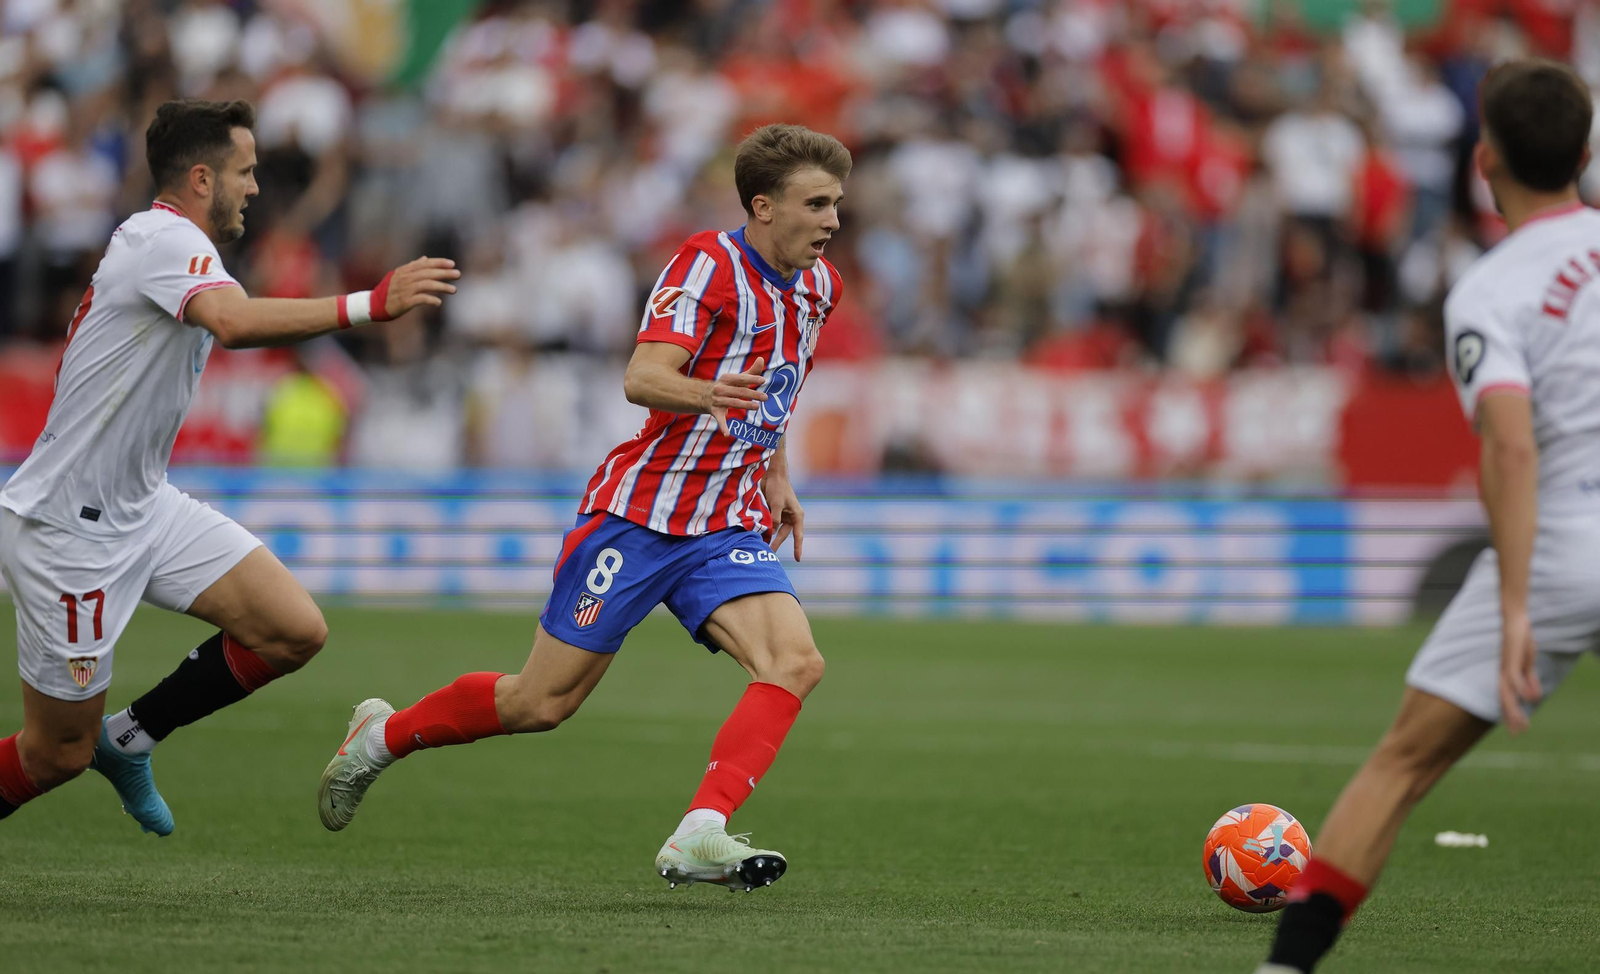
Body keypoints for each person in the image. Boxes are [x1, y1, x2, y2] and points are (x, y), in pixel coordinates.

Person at [318, 123, 848, 893]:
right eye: (817, 203)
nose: (833, 220)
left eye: (837, 203)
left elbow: (777, 388)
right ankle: (381, 738)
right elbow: (642, 375)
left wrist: (776, 475)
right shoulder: (708, 266)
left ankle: (700, 830)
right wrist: (706, 393)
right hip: (639, 513)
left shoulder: (820, 289)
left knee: (795, 662)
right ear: (763, 207)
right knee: (540, 702)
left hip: (723, 522)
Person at [0, 99, 458, 833]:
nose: (255, 187)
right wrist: (370, 304)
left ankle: (131, 739)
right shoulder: (161, 237)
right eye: (246, 172)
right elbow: (236, 322)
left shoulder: (176, 246)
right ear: (203, 178)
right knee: (54, 754)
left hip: (140, 508)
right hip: (68, 531)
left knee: (291, 630)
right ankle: (96, 746)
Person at [1256, 59, 1597, 973]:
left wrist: (1519, 606)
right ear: (1588, 152)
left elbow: (1512, 448)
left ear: (1483, 159)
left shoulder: (1490, 288)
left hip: (1568, 540)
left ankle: (1286, 967)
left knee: (1400, 766)